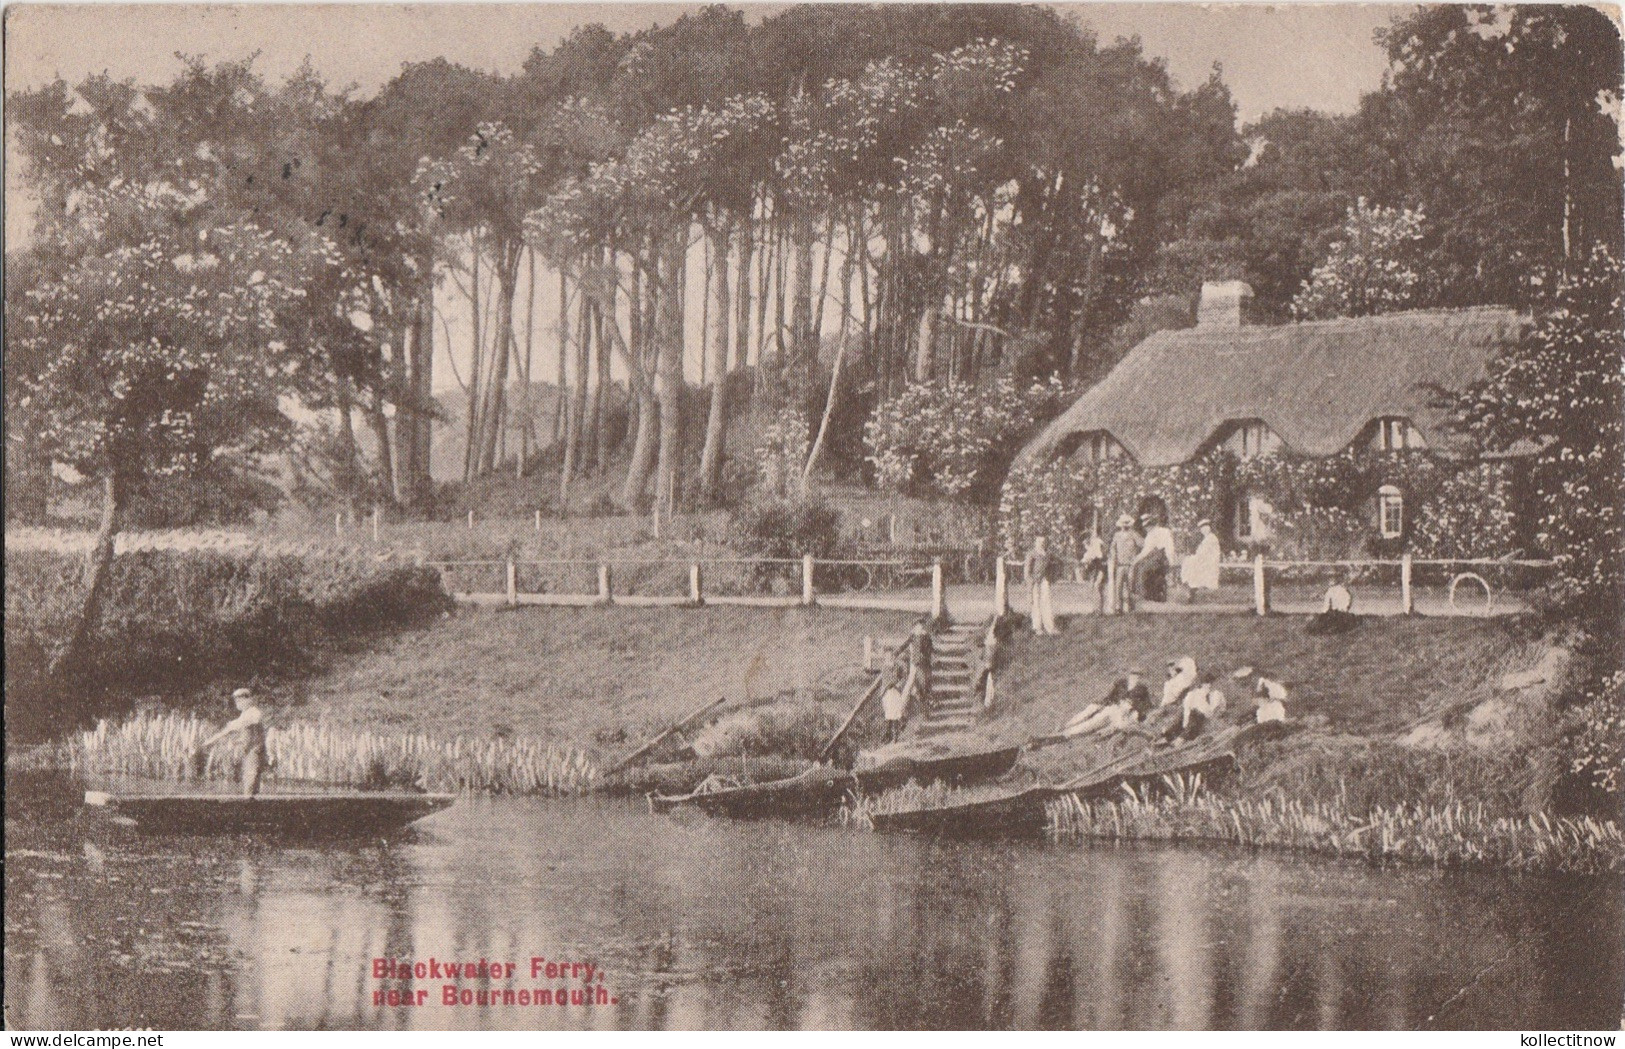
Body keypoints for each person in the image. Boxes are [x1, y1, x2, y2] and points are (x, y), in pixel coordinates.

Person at [197, 686, 271, 797]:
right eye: (236, 700)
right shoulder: (244, 714)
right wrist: (209, 741)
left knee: (251, 778)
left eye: (239, 700)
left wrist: (237, 725)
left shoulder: (254, 712)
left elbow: (254, 721)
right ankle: (250, 801)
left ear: (247, 699)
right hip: (248, 750)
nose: (237, 703)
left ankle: (249, 801)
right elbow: (227, 731)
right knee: (250, 779)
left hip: (255, 751)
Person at [1133, 513, 1178, 603]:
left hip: (1159, 559)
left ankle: (1144, 595)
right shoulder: (1166, 531)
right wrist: (1172, 561)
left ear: (1149, 526)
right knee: (1146, 567)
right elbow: (1171, 547)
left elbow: (1146, 551)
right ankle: (1153, 595)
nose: (1146, 529)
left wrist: (1135, 560)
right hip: (1166, 559)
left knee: (1141, 568)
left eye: (1147, 527)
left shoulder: (1151, 535)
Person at [1023, 536, 1061, 636]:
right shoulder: (1031, 554)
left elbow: (1057, 561)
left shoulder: (1047, 554)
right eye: (1039, 541)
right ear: (1035, 542)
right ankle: (1037, 627)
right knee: (1035, 603)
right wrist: (1030, 582)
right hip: (1034, 581)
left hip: (1045, 580)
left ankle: (1050, 627)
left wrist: (1053, 575)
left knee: (1046, 602)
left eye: (1043, 542)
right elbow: (1027, 570)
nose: (1041, 543)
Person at [1179, 518, 1223, 596]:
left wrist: (1195, 557)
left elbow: (1205, 553)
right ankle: (1190, 585)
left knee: (1190, 563)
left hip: (1209, 561)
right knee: (1188, 561)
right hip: (1205, 559)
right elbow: (1201, 552)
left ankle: (1191, 586)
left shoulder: (1211, 538)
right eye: (1201, 529)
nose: (1202, 531)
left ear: (1207, 529)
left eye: (1203, 529)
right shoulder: (1208, 538)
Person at [1108, 515, 1142, 613]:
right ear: (1120, 525)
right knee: (1118, 587)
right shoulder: (1117, 535)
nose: (1125, 525)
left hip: (1131, 565)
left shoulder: (1134, 534)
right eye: (1123, 523)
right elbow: (1112, 547)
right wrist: (1114, 556)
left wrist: (1136, 557)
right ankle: (1118, 608)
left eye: (1127, 523)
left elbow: (1143, 544)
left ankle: (1131, 608)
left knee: (1131, 586)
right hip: (1120, 565)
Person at [1076, 528, 1107, 612]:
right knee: (1093, 587)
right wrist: (1084, 562)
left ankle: (1099, 610)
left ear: (1088, 537)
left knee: (1097, 586)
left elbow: (1098, 555)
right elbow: (1087, 557)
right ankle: (1095, 608)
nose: (1084, 543)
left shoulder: (1097, 542)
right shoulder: (1088, 546)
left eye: (1085, 540)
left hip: (1101, 566)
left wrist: (1088, 560)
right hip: (1094, 567)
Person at [880, 660, 911, 743]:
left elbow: (903, 678)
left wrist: (898, 684)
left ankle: (895, 737)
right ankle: (888, 735)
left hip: (895, 692)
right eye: (888, 656)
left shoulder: (897, 667)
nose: (890, 658)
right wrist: (882, 692)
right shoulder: (884, 669)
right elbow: (883, 682)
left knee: (896, 714)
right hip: (888, 693)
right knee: (888, 715)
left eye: (891, 656)